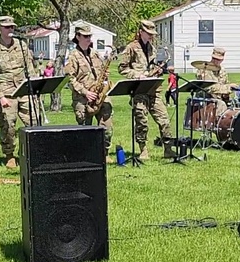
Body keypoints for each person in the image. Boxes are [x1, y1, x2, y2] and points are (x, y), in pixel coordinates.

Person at [0, 15, 38, 169]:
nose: (10, 30)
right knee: (8, 126)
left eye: (12, 27)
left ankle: (31, 153)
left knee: (34, 121)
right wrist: (0, 97)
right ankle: (9, 155)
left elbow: (30, 68)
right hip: (6, 93)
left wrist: (34, 88)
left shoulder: (21, 46)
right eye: (7, 27)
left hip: (24, 90)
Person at [118, 19, 174, 159]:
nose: (151, 36)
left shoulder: (152, 48)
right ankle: (143, 150)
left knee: (164, 120)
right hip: (139, 90)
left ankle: (168, 149)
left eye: (152, 33)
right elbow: (122, 68)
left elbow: (151, 66)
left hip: (153, 90)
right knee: (141, 121)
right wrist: (138, 75)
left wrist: (158, 70)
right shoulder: (131, 47)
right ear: (141, 32)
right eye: (148, 33)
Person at [64, 23, 114, 162]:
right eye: (85, 36)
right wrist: (85, 92)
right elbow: (70, 79)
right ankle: (87, 156)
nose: (88, 39)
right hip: (83, 99)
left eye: (89, 36)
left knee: (107, 125)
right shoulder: (73, 56)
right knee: (86, 130)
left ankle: (104, 153)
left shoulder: (95, 53)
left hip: (99, 95)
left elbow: (102, 72)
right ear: (78, 37)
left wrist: (104, 82)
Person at [195, 47, 238, 116]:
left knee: (236, 105)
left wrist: (229, 92)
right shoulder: (204, 69)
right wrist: (228, 88)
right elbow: (209, 88)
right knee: (222, 104)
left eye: (218, 60)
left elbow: (225, 84)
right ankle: (217, 125)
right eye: (214, 59)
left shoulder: (222, 71)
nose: (216, 61)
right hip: (206, 100)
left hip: (219, 99)